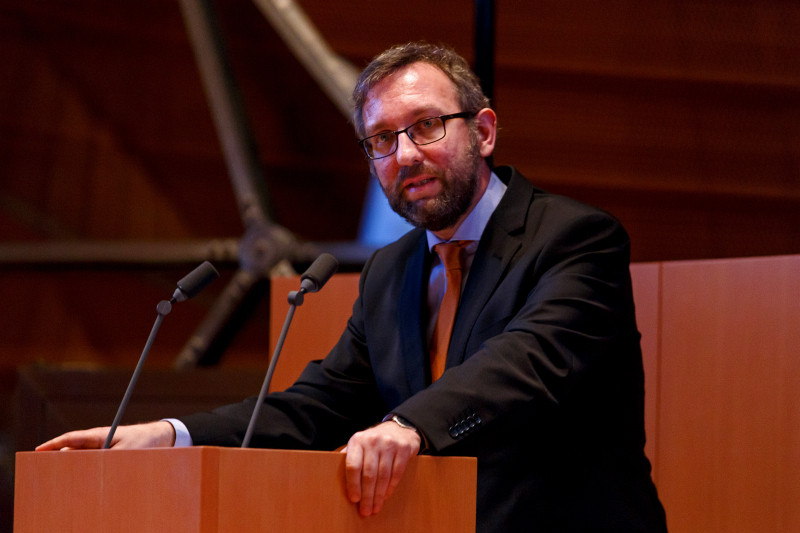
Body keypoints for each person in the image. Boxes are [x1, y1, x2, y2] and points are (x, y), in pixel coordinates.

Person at [37, 42, 668, 532]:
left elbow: (527, 364)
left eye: (426, 126)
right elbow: (318, 407)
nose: (406, 155)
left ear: (483, 131)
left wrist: (408, 425)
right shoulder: (391, 270)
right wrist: (171, 437)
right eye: (382, 140)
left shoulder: (576, 238)